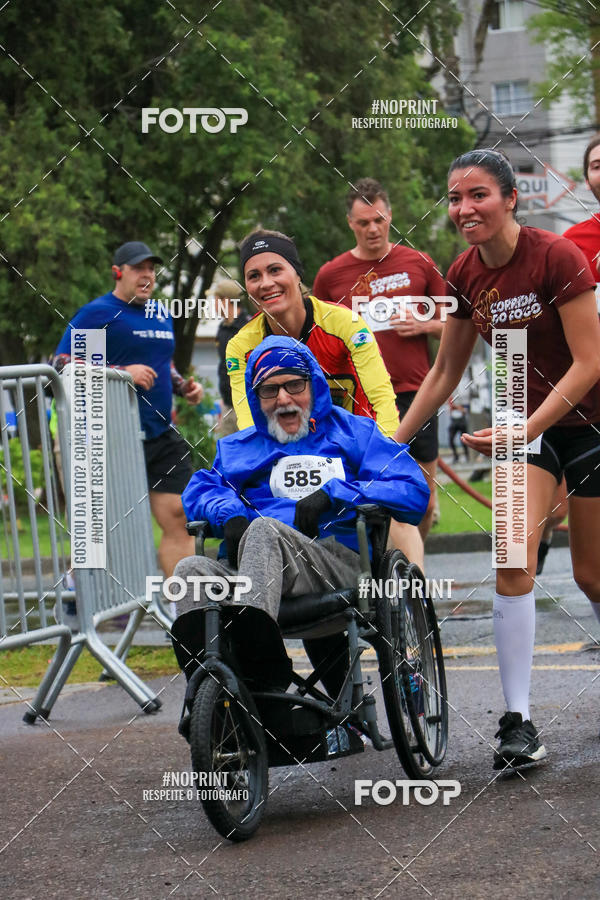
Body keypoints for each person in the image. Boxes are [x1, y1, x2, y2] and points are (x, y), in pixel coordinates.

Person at [394, 148, 600, 769]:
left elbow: (590, 362)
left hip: (588, 422)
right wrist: (392, 443)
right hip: (524, 425)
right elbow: (444, 373)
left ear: (511, 199)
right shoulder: (463, 272)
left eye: (478, 195)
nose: (464, 208)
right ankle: (518, 723)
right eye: (455, 198)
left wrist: (529, 426)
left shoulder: (555, 256)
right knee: (511, 563)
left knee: (592, 576)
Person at [171, 335, 429, 693]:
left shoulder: (354, 432)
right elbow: (201, 490)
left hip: (334, 563)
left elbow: (411, 488)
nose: (283, 399)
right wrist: (229, 514)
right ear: (256, 397)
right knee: (190, 571)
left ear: (314, 385)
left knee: (264, 530)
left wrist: (336, 493)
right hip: (252, 571)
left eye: (294, 384)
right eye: (269, 390)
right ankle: (213, 696)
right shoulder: (238, 448)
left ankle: (263, 686)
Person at [225, 229, 425, 562]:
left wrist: (383, 459)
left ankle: (413, 591)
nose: (266, 283)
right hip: (287, 454)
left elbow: (380, 398)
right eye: (254, 276)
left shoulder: (345, 324)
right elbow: (251, 424)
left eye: (275, 270)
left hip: (354, 451)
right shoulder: (241, 346)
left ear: (297, 273)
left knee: (396, 517)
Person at [53, 241, 204, 580]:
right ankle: (80, 597)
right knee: (100, 531)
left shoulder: (160, 314)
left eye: (151, 268)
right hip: (109, 436)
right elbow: (62, 364)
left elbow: (162, 363)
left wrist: (183, 387)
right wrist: (122, 372)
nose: (147, 275)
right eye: (138, 268)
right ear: (117, 272)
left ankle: (184, 606)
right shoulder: (99, 314)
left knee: (179, 516)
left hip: (159, 432)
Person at [313, 177, 446, 561]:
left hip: (415, 394)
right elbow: (315, 336)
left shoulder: (419, 263)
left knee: (421, 497)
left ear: (390, 217)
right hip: (359, 401)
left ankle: (407, 569)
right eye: (363, 223)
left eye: (379, 220)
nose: (372, 229)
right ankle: (377, 572)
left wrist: (425, 324)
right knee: (366, 495)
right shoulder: (331, 275)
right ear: (350, 224)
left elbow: (456, 324)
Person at [213, 279, 250, 437]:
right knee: (228, 451)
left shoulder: (249, 328)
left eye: (215, 299)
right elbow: (224, 366)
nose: (213, 304)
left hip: (248, 407)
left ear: (225, 300)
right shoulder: (222, 328)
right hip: (228, 405)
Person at [447, 399, 469, 463]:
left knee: (464, 439)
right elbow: (449, 410)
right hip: (454, 421)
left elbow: (465, 410)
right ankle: (456, 456)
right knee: (451, 439)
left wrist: (456, 407)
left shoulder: (463, 398)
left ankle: (467, 456)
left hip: (462, 421)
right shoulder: (451, 399)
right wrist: (452, 407)